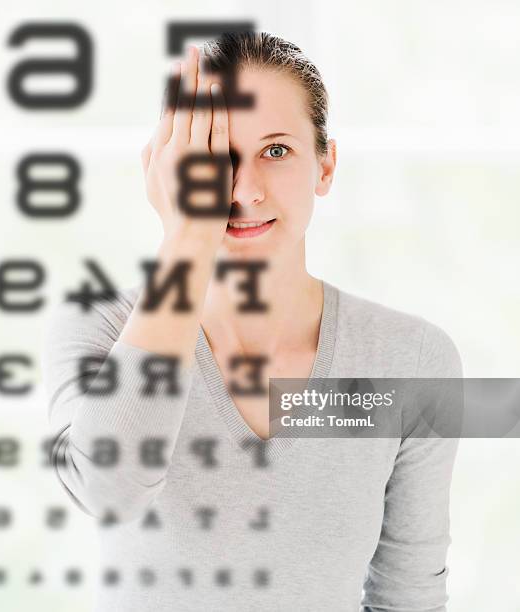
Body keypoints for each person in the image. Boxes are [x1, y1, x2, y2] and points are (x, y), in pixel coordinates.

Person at [42, 31, 462, 612]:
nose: (241, 192)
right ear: (165, 173)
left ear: (326, 164)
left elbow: (408, 594)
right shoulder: (102, 329)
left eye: (276, 150)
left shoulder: (412, 359)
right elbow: (110, 492)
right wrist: (187, 238)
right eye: (213, 159)